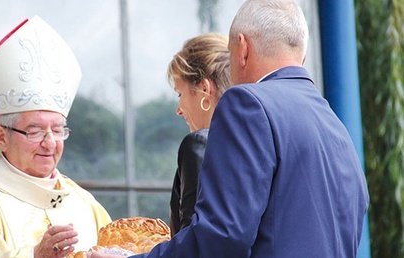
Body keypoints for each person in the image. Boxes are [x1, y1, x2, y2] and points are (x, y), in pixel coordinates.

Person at [89, 0, 369, 257]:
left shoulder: (248, 102)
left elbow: (221, 237)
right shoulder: (336, 127)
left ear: (243, 48)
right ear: (302, 56)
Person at [0, 16, 112, 258]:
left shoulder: (86, 205)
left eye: (58, 131)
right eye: (34, 131)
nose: (49, 143)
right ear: (1, 136)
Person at [166, 33, 231, 236]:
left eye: (180, 94)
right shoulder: (256, 142)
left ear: (204, 88)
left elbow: (193, 245)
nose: (178, 109)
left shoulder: (200, 144)